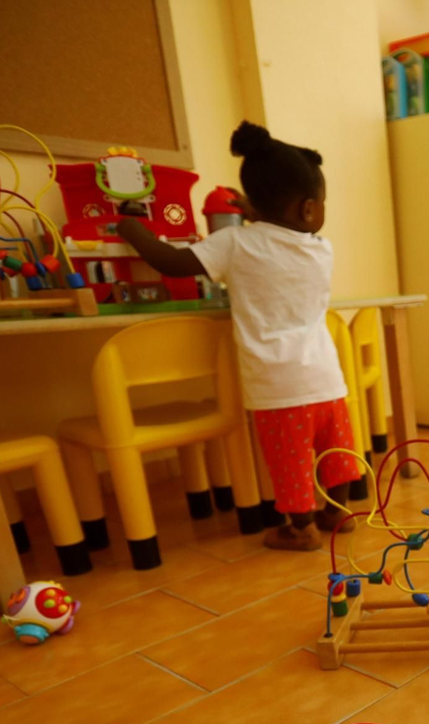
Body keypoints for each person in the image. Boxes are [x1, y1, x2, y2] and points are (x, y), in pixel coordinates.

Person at [117, 121, 357, 552]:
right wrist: (260, 214)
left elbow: (171, 262)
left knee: (291, 461)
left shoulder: (233, 244)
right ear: (307, 210)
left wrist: (133, 230)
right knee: (335, 452)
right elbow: (283, 240)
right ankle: (337, 513)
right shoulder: (322, 248)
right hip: (325, 379)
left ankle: (301, 528)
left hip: (277, 385)